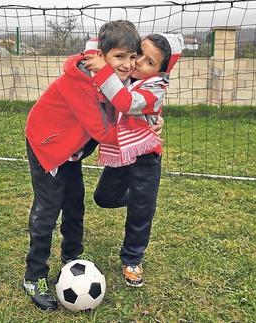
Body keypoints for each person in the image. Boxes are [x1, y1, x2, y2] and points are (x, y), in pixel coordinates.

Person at [22, 20, 141, 311]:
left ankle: (72, 258)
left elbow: (137, 96)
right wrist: (144, 135)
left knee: (75, 203)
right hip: (48, 147)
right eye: (119, 57)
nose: (127, 64)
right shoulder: (81, 83)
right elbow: (104, 131)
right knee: (48, 210)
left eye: (132, 57)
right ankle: (34, 276)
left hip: (70, 151)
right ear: (101, 56)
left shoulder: (113, 78)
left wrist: (148, 118)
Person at [83, 33, 184, 287]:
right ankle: (141, 201)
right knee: (103, 198)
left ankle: (132, 259)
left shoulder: (155, 89)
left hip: (145, 158)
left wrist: (103, 70)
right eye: (139, 53)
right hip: (120, 154)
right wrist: (102, 51)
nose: (138, 63)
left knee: (140, 212)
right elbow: (97, 43)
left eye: (149, 62)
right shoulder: (126, 74)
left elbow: (126, 103)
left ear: (160, 72)